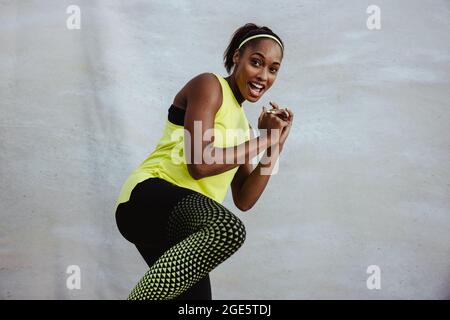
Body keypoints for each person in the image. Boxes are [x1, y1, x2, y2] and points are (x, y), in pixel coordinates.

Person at [114, 22, 294, 300]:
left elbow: (244, 200)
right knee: (226, 229)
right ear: (237, 57)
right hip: (145, 199)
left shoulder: (244, 129)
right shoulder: (209, 85)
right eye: (256, 62)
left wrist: (276, 142)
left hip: (185, 227)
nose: (263, 76)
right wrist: (264, 140)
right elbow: (199, 164)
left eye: (273, 69)